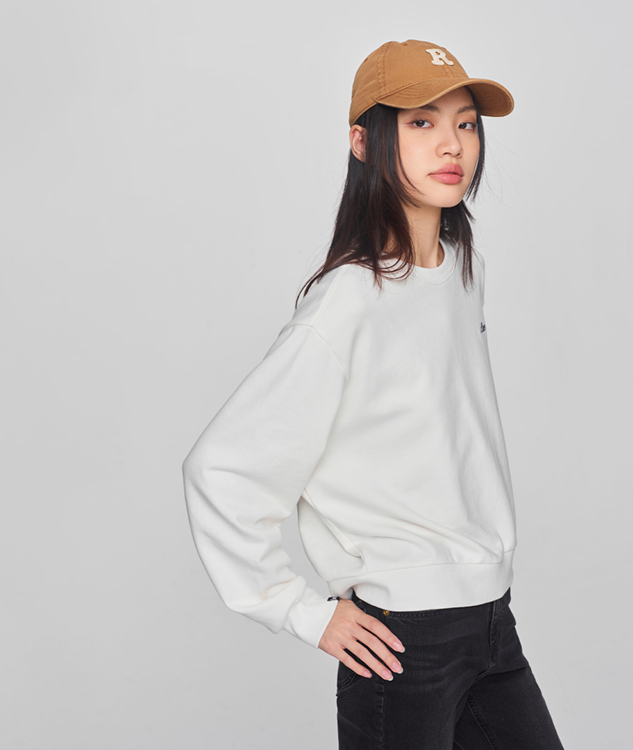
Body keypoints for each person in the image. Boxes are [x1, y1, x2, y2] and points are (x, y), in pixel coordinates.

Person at [182, 38, 565, 750]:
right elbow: (222, 468)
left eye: (466, 122)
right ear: (363, 142)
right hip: (403, 643)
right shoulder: (348, 302)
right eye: (421, 122)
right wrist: (298, 609)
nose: (452, 144)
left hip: (491, 622)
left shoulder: (461, 269)